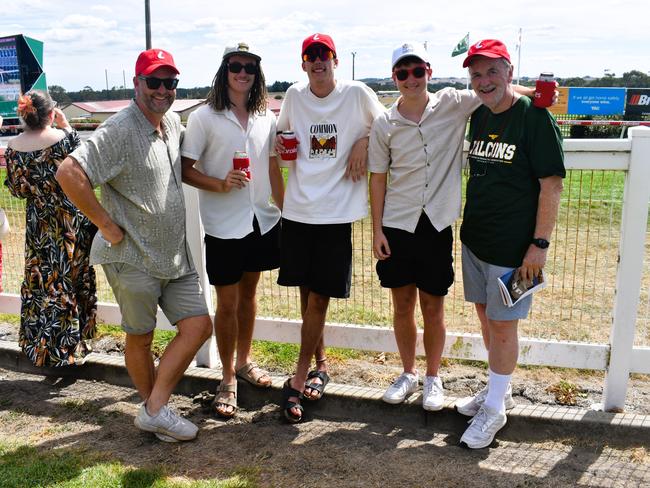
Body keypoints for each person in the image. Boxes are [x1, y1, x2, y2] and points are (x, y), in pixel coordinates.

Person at [369, 42, 539, 411]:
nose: (410, 79)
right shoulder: (385, 122)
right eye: (402, 73)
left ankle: (433, 377)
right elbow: (378, 177)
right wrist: (376, 230)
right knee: (401, 306)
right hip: (397, 224)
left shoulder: (452, 102)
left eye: (417, 71)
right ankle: (408, 372)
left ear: (428, 72)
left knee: (434, 306)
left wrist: (539, 94)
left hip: (436, 223)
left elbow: (497, 90)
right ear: (394, 77)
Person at [56, 49, 212, 442]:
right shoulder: (119, 129)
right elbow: (69, 172)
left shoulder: (172, 122)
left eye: (170, 82)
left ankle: (153, 410)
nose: (163, 90)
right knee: (140, 336)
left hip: (175, 255)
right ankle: (157, 410)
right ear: (137, 83)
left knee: (198, 326)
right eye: (154, 81)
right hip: (133, 257)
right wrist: (105, 224)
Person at [456, 39, 565, 449]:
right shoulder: (480, 115)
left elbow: (551, 184)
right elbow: (498, 96)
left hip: (515, 250)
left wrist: (539, 245)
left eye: (492, 72)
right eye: (477, 74)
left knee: (503, 328)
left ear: (509, 70)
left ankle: (496, 409)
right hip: (476, 241)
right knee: (487, 321)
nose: (484, 81)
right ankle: (496, 391)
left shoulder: (534, 119)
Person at [276, 33, 385, 422]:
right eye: (311, 55)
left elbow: (388, 126)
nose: (318, 61)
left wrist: (364, 141)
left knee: (319, 299)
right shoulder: (293, 95)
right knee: (307, 300)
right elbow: (282, 137)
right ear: (303, 64)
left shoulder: (356, 94)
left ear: (336, 61)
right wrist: (284, 144)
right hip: (299, 210)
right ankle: (321, 364)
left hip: (335, 215)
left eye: (325, 55)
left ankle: (298, 378)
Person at [181, 42, 284, 418]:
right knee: (227, 303)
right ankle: (226, 378)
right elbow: (186, 169)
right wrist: (220, 184)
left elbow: (273, 166)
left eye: (250, 68)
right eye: (236, 66)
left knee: (250, 295)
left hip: (260, 220)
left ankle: (244, 361)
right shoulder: (204, 117)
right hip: (224, 225)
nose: (243, 73)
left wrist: (285, 209)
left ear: (257, 75)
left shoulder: (264, 116)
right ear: (224, 70)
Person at [4, 90, 97, 367]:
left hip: (38, 226)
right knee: (71, 280)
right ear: (50, 113)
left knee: (41, 284)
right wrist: (66, 125)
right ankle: (72, 346)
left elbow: (17, 190)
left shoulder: (13, 148)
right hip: (69, 223)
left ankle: (42, 347)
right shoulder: (64, 140)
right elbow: (85, 167)